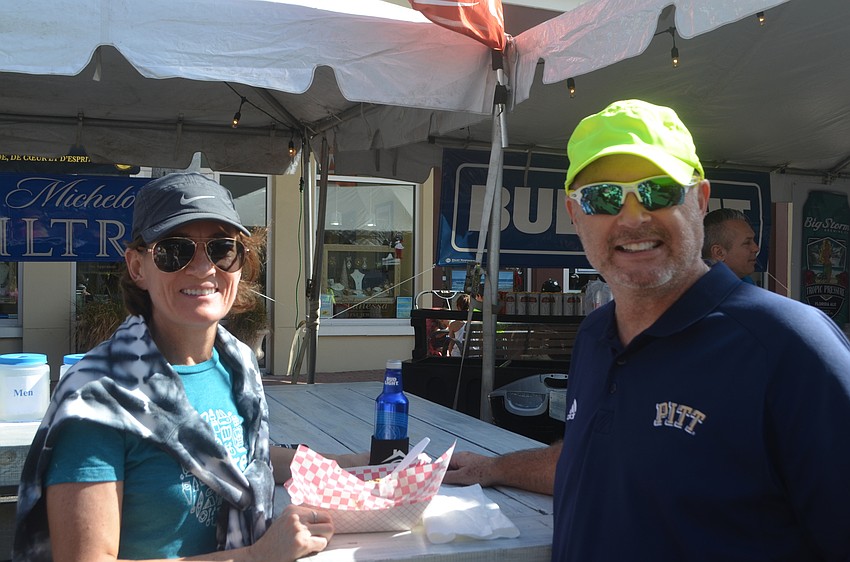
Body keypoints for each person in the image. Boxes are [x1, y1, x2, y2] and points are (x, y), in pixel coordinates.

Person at [444, 99, 850, 560]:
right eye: (604, 197)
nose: (633, 217)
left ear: (699, 200)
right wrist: (494, 467)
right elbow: (598, 462)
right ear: (575, 216)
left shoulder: (789, 345)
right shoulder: (596, 336)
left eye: (658, 192)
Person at [14, 172, 365, 561]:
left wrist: (366, 466)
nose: (202, 268)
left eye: (222, 249)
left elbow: (241, 457)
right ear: (137, 267)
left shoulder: (238, 367)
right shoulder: (97, 399)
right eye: (174, 250)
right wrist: (255, 556)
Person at [702, 207, 760, 283]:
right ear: (719, 253)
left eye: (753, 240)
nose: (756, 248)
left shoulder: (746, 281)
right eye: (747, 243)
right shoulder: (701, 291)